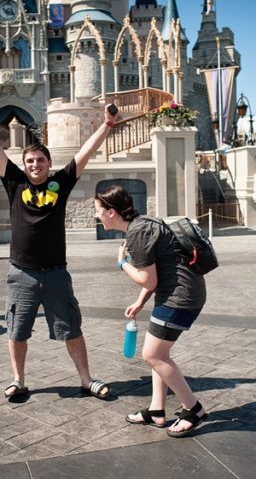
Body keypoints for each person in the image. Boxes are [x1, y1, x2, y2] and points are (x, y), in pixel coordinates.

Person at [0, 95, 116, 400]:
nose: (34, 164)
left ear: (49, 164)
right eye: (30, 161)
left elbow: (84, 153)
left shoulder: (60, 184)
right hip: (22, 275)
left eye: (40, 160)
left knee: (72, 328)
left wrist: (108, 126)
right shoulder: (15, 183)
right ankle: (18, 380)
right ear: (24, 165)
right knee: (17, 331)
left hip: (56, 273)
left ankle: (87, 379)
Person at [94, 185, 208, 437]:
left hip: (180, 297)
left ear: (111, 212)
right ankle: (157, 410)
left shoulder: (137, 233)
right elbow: (158, 271)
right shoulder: (142, 223)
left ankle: (193, 409)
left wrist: (122, 264)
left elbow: (147, 279)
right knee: (159, 353)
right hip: (178, 292)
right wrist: (140, 302)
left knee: (153, 355)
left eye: (98, 211)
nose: (97, 216)